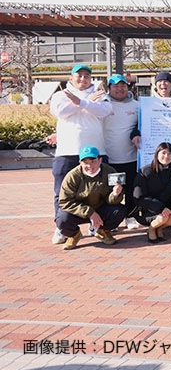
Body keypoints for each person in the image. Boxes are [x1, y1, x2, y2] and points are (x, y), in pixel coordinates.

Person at [50, 65, 112, 245]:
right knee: (61, 191)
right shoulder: (60, 95)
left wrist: (82, 102)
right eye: (79, 75)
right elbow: (61, 112)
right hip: (67, 152)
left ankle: (97, 225)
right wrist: (83, 102)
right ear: (71, 78)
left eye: (87, 76)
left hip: (97, 151)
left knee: (100, 192)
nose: (83, 79)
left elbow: (104, 111)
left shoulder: (100, 94)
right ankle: (62, 227)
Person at [55, 145, 126, 250]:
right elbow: (65, 201)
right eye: (85, 162)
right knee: (62, 219)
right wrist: (90, 213)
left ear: (100, 160)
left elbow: (111, 201)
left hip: (101, 208)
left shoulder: (110, 172)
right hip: (79, 210)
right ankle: (74, 235)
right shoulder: (72, 176)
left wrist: (115, 195)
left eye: (93, 161)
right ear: (80, 163)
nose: (90, 166)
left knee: (119, 211)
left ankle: (103, 230)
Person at [102, 74, 140, 230]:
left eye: (123, 85)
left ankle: (131, 216)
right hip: (109, 157)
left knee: (132, 189)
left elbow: (143, 125)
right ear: (109, 88)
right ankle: (111, 220)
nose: (120, 89)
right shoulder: (103, 104)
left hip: (131, 156)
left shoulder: (137, 105)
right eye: (115, 86)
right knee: (111, 191)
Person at [132, 142, 171, 243]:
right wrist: (160, 208)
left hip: (168, 209)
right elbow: (138, 197)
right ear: (157, 154)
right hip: (149, 210)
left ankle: (159, 228)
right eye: (163, 153)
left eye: (169, 154)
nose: (166, 156)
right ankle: (152, 228)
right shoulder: (145, 172)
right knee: (162, 218)